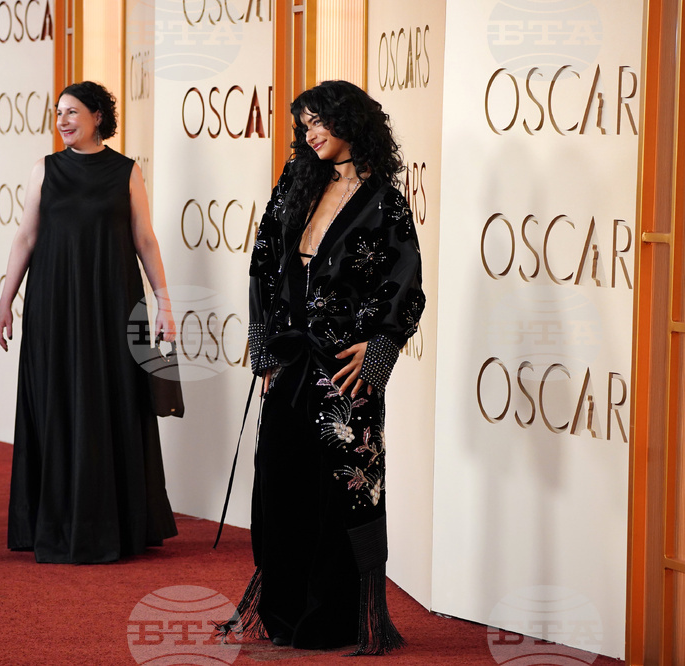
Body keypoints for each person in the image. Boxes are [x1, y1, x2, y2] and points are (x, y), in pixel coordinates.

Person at [239, 80, 424, 653]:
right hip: (293, 367)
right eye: (304, 124)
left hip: (347, 373)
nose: (310, 133)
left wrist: (379, 351)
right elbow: (263, 265)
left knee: (342, 493)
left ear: (351, 122)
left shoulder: (385, 201)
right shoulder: (295, 185)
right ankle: (285, 613)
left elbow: (406, 284)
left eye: (319, 120)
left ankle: (339, 619)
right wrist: (264, 349)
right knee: (280, 483)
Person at [0, 81, 178, 563]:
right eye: (58, 113)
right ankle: (52, 522)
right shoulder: (44, 170)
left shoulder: (126, 171)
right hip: (52, 305)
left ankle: (113, 524)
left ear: (98, 116)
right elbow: (25, 238)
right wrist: (5, 300)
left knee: (110, 401)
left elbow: (146, 240)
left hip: (113, 303)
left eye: (73, 112)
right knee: (55, 400)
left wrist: (164, 303)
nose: (63, 121)